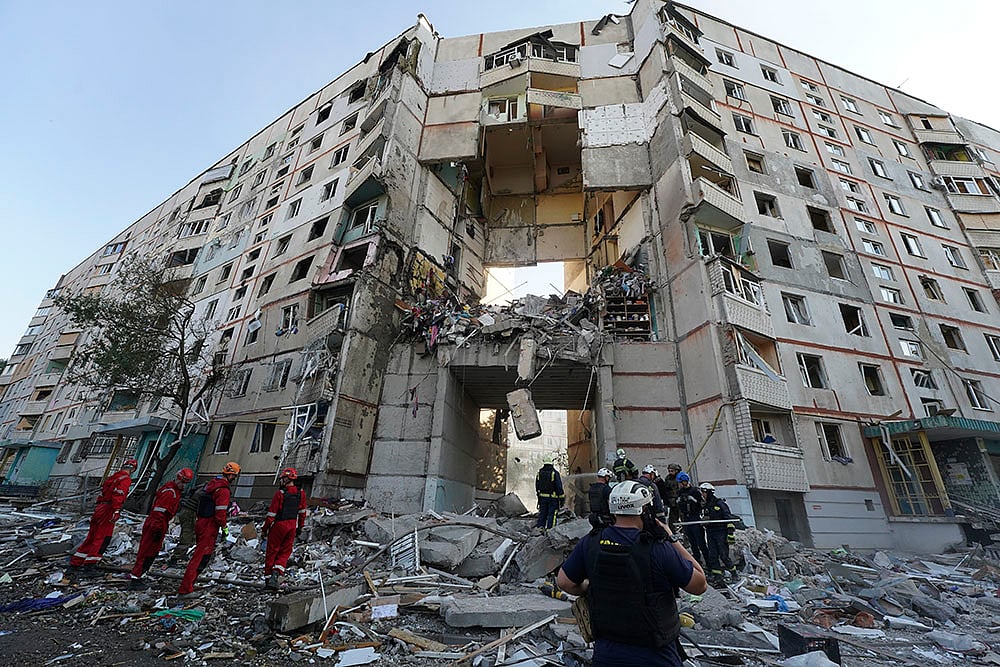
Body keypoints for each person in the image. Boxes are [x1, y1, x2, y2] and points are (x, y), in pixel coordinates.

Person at [556, 481, 707, 667]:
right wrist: (670, 537)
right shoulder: (658, 549)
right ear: (644, 509)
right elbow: (700, 585)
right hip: (655, 655)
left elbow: (564, 582)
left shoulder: (591, 542)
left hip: (606, 653)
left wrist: (588, 587)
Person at [178, 461, 240, 596]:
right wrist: (225, 530)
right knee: (200, 557)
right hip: (210, 526)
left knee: (203, 555)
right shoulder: (223, 490)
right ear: (232, 475)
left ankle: (190, 584)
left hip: (201, 521)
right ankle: (186, 588)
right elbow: (220, 515)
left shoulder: (211, 485)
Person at [69, 458, 138, 573]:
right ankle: (90, 566)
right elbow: (118, 495)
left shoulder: (113, 478)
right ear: (133, 469)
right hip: (109, 509)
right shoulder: (125, 480)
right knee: (102, 538)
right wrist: (116, 510)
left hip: (100, 508)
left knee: (91, 537)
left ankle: (76, 563)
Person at [128, 468, 193, 589]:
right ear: (178, 478)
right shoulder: (170, 492)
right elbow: (159, 511)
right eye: (183, 482)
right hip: (156, 523)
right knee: (146, 552)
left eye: (186, 483)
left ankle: (140, 576)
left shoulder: (172, 490)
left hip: (159, 523)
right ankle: (135, 579)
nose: (184, 485)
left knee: (151, 553)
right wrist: (157, 528)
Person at [262, 467, 308, 590]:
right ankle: (277, 573)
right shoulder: (301, 493)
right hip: (292, 526)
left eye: (283, 478)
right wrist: (300, 527)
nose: (281, 480)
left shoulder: (280, 494)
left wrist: (265, 529)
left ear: (287, 479)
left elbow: (271, 514)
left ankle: (268, 579)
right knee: (285, 552)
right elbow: (302, 512)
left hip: (279, 525)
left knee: (272, 551)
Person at [700, 482, 739, 586]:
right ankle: (718, 576)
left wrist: (730, 533)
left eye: (704, 492)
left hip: (721, 532)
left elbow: (728, 518)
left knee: (723, 555)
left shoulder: (719, 503)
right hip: (710, 532)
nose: (702, 494)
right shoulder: (705, 505)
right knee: (713, 555)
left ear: (709, 492)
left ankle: (734, 574)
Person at [676, 472, 707, 566]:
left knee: (700, 542)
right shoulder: (680, 492)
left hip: (695, 517)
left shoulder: (695, 491)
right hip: (686, 518)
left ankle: (709, 562)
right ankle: (697, 562)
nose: (680, 484)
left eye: (681, 482)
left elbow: (702, 504)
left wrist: (693, 500)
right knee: (692, 542)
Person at [535, 456, 565, 531]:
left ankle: (539, 529)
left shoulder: (540, 473)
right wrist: (562, 499)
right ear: (551, 463)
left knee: (542, 514)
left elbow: (537, 486)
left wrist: (539, 496)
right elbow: (559, 487)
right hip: (553, 499)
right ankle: (550, 530)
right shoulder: (554, 473)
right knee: (552, 515)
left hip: (542, 498)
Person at [657, 464, 682, 528]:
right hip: (670, 502)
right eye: (669, 471)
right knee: (671, 519)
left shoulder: (680, 477)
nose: (670, 473)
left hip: (678, 502)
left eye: (672, 471)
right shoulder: (668, 478)